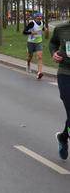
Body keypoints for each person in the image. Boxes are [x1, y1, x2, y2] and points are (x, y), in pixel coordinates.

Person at [49, 21, 70, 160]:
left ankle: (63, 137)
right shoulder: (61, 28)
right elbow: (52, 44)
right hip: (66, 74)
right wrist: (53, 53)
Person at [23, 12, 48, 79]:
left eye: (41, 16)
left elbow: (41, 28)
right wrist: (31, 32)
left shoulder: (43, 22)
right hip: (31, 42)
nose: (40, 18)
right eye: (38, 17)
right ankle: (28, 64)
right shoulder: (31, 23)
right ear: (35, 17)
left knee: (40, 57)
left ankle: (39, 72)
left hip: (39, 42)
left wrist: (45, 30)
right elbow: (24, 32)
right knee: (30, 57)